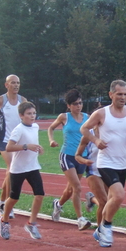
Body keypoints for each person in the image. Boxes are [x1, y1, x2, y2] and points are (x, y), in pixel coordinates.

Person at [80, 79, 126, 247]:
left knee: (114, 199)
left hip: (123, 163)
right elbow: (84, 128)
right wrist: (96, 139)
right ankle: (106, 227)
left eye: (125, 94)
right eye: (119, 94)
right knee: (119, 196)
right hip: (106, 162)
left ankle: (100, 229)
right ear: (111, 94)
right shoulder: (102, 113)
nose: (123, 97)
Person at [0, 101, 45, 241]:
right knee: (14, 197)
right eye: (29, 114)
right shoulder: (18, 129)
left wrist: (38, 147)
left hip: (33, 167)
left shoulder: (35, 126)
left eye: (34, 113)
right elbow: (9, 147)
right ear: (21, 115)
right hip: (18, 169)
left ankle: (31, 223)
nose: (32, 116)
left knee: (40, 194)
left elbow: (32, 142)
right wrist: (26, 146)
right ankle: (4, 220)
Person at [0, 74, 27, 217]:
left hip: (17, 142)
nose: (16, 85)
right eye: (13, 83)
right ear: (6, 85)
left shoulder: (23, 101)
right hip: (3, 140)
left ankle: (1, 202)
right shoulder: (0, 100)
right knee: (11, 169)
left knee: (11, 173)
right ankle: (7, 204)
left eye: (18, 83)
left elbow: (28, 118)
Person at [48, 89, 92, 230]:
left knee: (70, 190)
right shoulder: (64, 117)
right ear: (68, 105)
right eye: (74, 104)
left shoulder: (88, 117)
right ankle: (80, 219)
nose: (78, 106)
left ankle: (58, 205)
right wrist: (51, 140)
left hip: (82, 157)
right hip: (67, 156)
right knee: (77, 188)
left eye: (80, 103)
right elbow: (51, 128)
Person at [75, 126, 107, 229]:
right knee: (104, 202)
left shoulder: (113, 132)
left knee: (110, 203)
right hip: (94, 171)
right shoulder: (88, 135)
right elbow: (77, 155)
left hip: (110, 171)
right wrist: (85, 161)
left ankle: (91, 198)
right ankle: (101, 231)